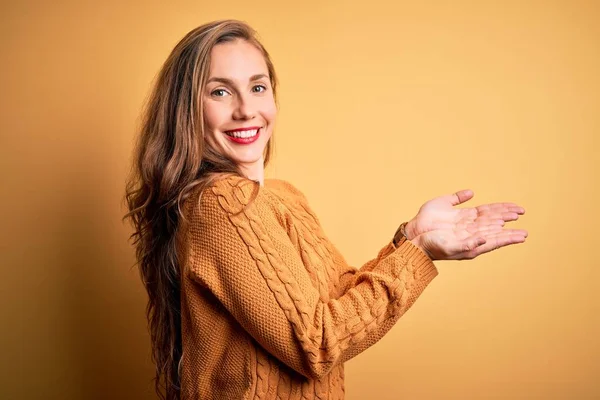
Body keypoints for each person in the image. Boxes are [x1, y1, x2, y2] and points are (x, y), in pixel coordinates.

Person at [125, 19, 528, 400]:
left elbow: (338, 304)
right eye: (220, 91)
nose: (246, 109)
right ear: (186, 110)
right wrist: (419, 256)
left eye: (258, 87)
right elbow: (316, 343)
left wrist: (411, 238)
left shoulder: (283, 196)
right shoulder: (222, 203)